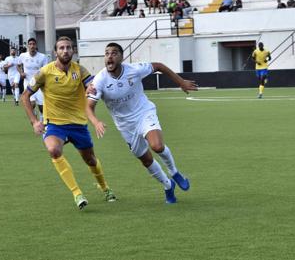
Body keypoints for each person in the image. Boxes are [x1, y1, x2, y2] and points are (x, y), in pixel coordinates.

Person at [86, 43, 197, 204]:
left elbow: (159, 66)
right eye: (107, 53)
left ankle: (174, 172)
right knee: (145, 160)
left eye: (114, 53)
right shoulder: (100, 80)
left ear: (121, 57)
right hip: (125, 126)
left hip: (144, 113)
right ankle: (168, 185)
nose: (110, 56)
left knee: (157, 146)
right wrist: (95, 122)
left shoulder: (134, 70)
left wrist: (180, 82)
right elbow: (88, 107)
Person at [21, 36, 116, 210]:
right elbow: (25, 96)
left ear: (73, 51)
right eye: (62, 48)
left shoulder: (79, 70)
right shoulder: (44, 72)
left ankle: (105, 188)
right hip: (54, 124)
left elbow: (90, 83)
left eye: (69, 48)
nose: (66, 51)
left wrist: (90, 87)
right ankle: (77, 193)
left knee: (91, 160)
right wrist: (34, 121)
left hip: (78, 124)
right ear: (55, 52)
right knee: (53, 150)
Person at [18, 38, 49, 121]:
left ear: (36, 45)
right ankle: (36, 121)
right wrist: (21, 73)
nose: (32, 46)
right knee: (31, 104)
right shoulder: (23, 56)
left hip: (39, 84)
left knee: (42, 108)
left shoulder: (42, 57)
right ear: (28, 46)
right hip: (28, 83)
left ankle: (43, 123)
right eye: (30, 44)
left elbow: (46, 70)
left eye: (33, 44)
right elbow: (18, 65)